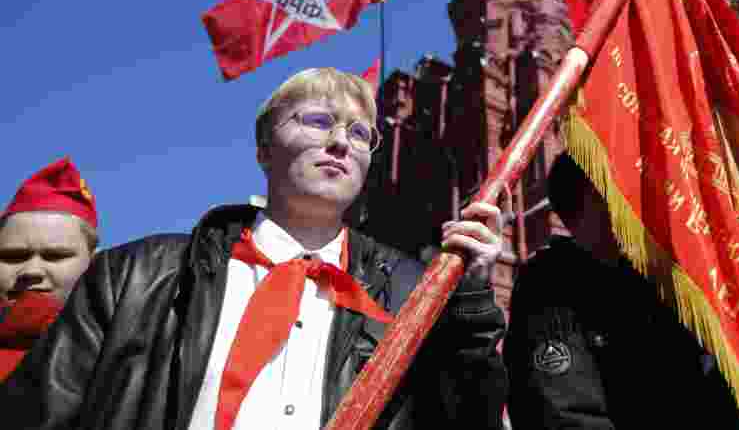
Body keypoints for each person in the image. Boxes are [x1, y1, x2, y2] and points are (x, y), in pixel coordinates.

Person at [1, 68, 508, 429]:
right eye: (316, 120)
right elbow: (39, 412)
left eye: (359, 133)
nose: (340, 142)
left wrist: (472, 300)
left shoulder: (411, 295)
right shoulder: (136, 276)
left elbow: (469, 414)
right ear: (264, 148)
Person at [503, 152, 739, 429]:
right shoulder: (551, 283)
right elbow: (561, 414)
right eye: (612, 193)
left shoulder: (664, 281)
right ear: (575, 217)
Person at [0, 157, 98, 380]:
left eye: (55, 256)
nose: (32, 271)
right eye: (13, 257)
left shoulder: (122, 355)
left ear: (94, 263)